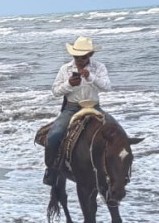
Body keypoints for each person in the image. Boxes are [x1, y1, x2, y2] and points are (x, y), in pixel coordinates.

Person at [43, 36, 113, 186]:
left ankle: (118, 170)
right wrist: (69, 84)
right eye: (76, 57)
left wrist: (91, 77)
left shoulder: (99, 67)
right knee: (54, 136)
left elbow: (107, 87)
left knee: (118, 133)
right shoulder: (65, 69)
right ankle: (51, 170)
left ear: (90, 55)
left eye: (83, 57)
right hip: (72, 108)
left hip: (94, 106)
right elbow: (55, 91)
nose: (79, 60)